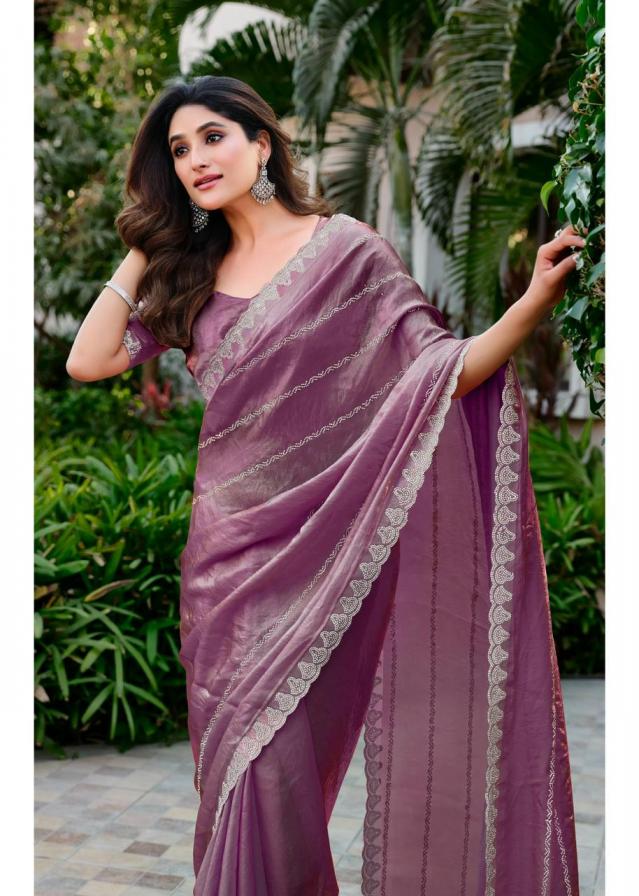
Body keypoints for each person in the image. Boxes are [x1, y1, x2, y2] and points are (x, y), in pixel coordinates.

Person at [67, 75, 584, 896]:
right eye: (178, 150)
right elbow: (88, 359)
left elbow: (439, 375)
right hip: (225, 574)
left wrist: (530, 302)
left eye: (212, 137)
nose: (196, 159)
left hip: (327, 561)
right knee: (239, 786)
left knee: (280, 784)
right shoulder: (187, 276)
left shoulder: (346, 252)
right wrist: (145, 240)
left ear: (260, 142)